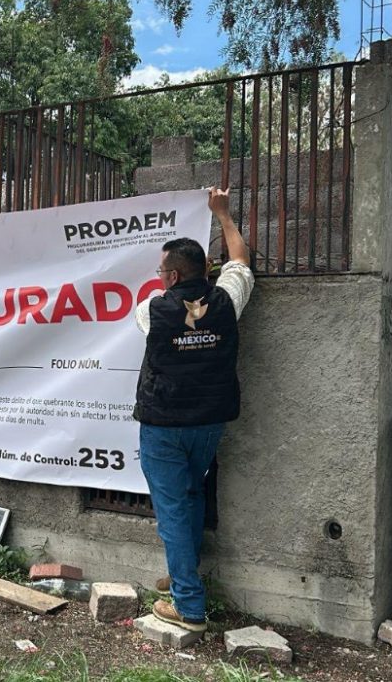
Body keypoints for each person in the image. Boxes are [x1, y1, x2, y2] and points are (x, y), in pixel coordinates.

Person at [133, 187, 254, 632]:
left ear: (168, 276)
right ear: (207, 269)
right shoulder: (227, 300)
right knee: (190, 496)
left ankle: (189, 606)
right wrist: (221, 214)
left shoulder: (149, 309)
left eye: (162, 270)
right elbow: (240, 260)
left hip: (163, 426)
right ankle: (182, 573)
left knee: (172, 508)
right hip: (209, 422)